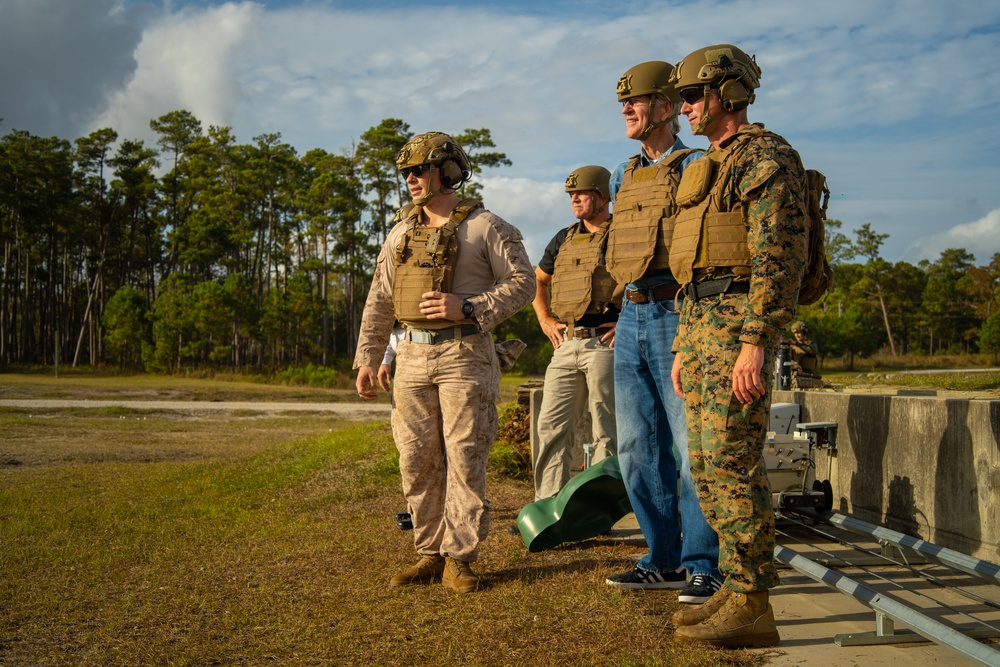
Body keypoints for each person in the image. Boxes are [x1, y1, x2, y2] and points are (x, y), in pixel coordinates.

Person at [667, 44, 810, 647]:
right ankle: (733, 581)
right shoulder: (710, 163)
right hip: (700, 324)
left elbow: (780, 258)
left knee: (732, 461)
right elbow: (696, 261)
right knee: (704, 464)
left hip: (736, 327)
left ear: (729, 93)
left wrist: (756, 343)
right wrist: (682, 342)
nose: (686, 107)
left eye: (694, 95)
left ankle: (754, 603)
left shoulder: (767, 156)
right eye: (680, 98)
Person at [354, 131, 534, 594]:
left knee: (465, 457)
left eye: (420, 169)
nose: (411, 179)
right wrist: (369, 357)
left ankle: (460, 557)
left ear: (448, 171)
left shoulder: (485, 227)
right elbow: (380, 298)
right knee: (415, 458)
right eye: (407, 172)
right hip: (411, 356)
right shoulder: (400, 233)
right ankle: (429, 553)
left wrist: (470, 308)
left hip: (465, 354)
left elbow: (523, 283)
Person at [603, 61, 722, 605]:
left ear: (670, 106)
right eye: (623, 102)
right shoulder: (625, 173)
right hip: (629, 316)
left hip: (679, 312)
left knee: (691, 445)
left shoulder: (698, 164)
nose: (627, 109)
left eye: (639, 100)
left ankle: (703, 564)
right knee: (636, 446)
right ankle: (662, 560)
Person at [531, 165, 619, 501]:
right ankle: (548, 507)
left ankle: (597, 510)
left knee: (605, 431)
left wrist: (626, 322)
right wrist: (544, 318)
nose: (574, 200)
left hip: (605, 344)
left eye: (580, 193)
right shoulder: (563, 238)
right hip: (566, 344)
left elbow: (644, 283)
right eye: (570, 195)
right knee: (551, 427)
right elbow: (538, 280)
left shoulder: (622, 233)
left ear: (601, 196)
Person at [788, 321, 822, 388]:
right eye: (795, 333)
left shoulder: (811, 344)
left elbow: (812, 350)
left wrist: (797, 344)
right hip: (794, 377)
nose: (797, 335)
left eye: (798, 333)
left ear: (804, 332)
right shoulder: (792, 346)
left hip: (809, 377)